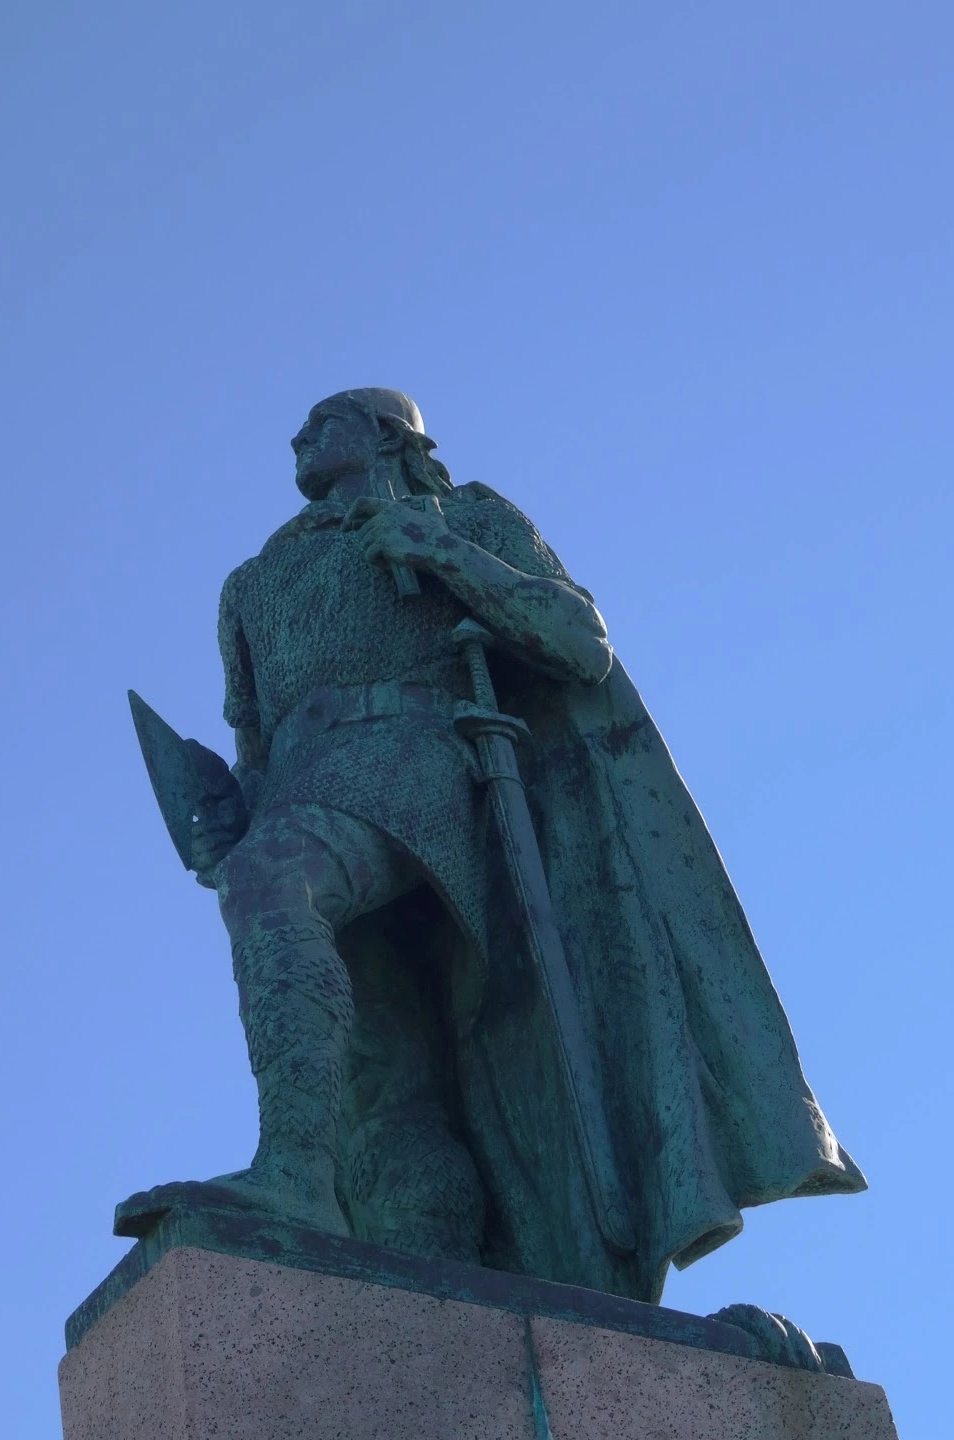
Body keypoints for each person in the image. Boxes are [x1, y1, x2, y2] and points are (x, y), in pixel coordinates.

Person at [119, 388, 865, 1305]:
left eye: (325, 421)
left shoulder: (466, 515)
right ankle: (420, 1263)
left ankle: (293, 1175)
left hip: (425, 761)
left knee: (274, 882)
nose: (298, 437)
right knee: (382, 1079)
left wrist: (442, 551)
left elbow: (579, 644)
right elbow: (256, 743)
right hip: (300, 789)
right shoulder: (251, 585)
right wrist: (226, 819)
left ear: (389, 435)